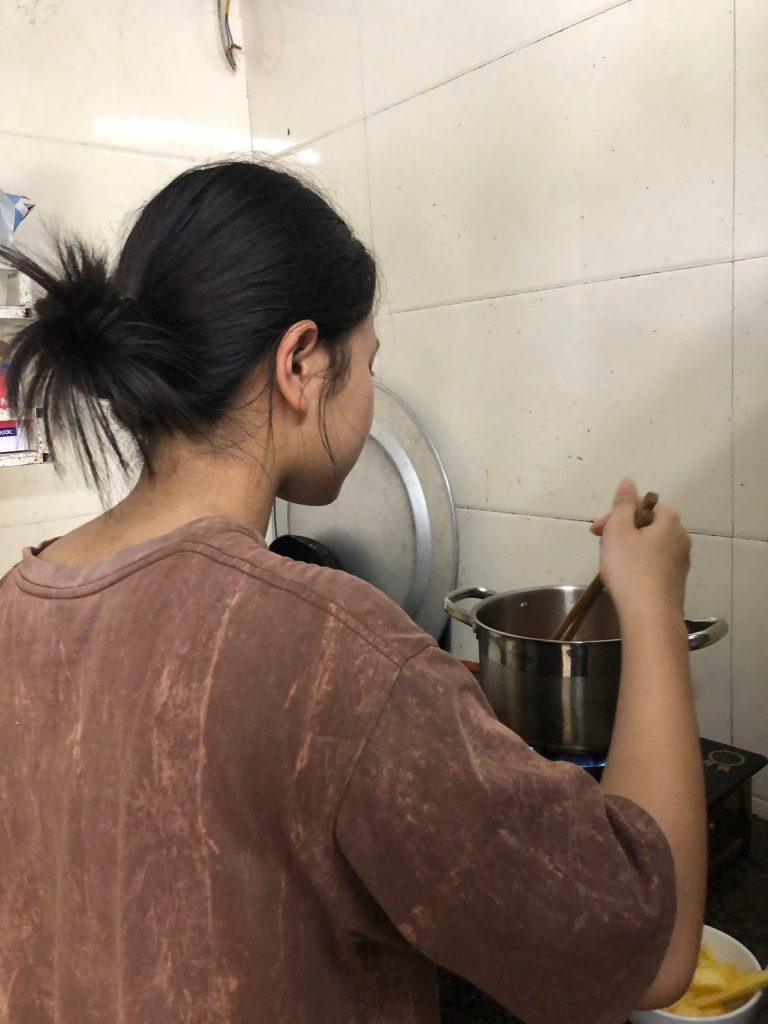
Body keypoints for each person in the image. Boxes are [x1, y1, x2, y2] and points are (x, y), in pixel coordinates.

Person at [0, 161, 705, 1024]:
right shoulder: (332, 654)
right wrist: (653, 601)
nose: (371, 391)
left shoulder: (18, 603)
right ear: (301, 362)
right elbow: (645, 949)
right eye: (368, 361)